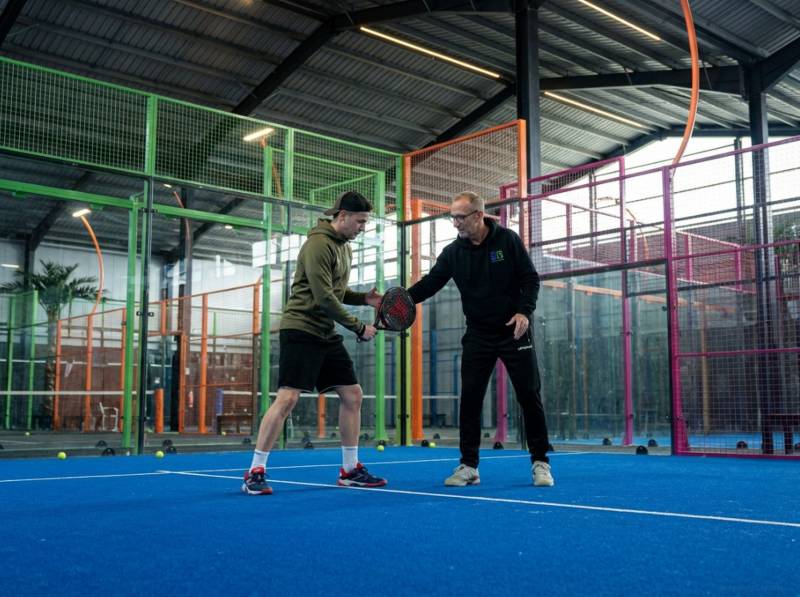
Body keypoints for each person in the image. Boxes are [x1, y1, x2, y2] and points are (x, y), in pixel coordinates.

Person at [242, 190, 387, 495]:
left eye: (365, 223)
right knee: (288, 399)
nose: (362, 228)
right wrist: (359, 326)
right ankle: (255, 471)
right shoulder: (318, 245)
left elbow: (335, 290)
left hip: (324, 332)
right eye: (359, 221)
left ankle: (349, 470)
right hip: (300, 328)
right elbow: (323, 297)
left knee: (352, 395)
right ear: (343, 216)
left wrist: (364, 298)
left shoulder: (344, 248)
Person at [407, 191, 554, 487]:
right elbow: (429, 284)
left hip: (514, 330)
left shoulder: (507, 241)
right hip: (477, 334)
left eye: (460, 217)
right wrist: (398, 300)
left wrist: (524, 312)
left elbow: (530, 279)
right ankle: (469, 466)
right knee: (471, 399)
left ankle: (540, 461)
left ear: (478, 215)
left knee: (529, 395)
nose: (455, 223)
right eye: (452, 217)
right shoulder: (453, 253)